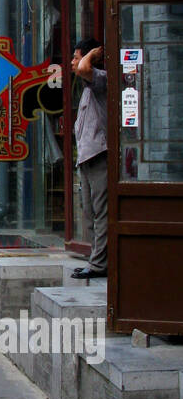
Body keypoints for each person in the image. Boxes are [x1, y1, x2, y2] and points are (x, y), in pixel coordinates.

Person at [70, 38, 108, 279]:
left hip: (98, 156)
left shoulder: (100, 79)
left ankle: (99, 264)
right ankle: (96, 258)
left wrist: (92, 55)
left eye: (76, 57)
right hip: (86, 158)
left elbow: (84, 68)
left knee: (100, 210)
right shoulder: (86, 88)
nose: (73, 62)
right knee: (89, 212)